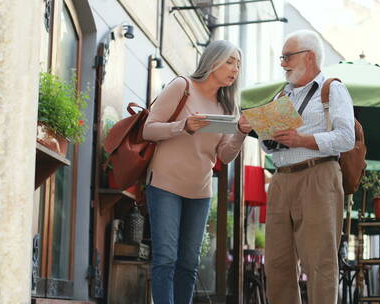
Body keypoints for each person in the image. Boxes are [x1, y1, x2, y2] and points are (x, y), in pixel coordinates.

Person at [142, 40, 252, 304]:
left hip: (200, 191)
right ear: (212, 60)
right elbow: (148, 129)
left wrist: (240, 133)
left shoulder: (228, 107)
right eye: (229, 61)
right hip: (165, 185)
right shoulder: (183, 87)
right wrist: (183, 126)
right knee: (166, 258)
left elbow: (224, 156)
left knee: (189, 263)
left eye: (238, 64)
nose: (235, 69)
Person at [262, 30, 355, 304]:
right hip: (280, 180)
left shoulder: (332, 88)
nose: (282, 63)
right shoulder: (282, 95)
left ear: (310, 56)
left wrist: (303, 140)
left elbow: (347, 138)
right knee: (277, 264)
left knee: (320, 262)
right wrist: (265, 134)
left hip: (318, 175)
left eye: (287, 56)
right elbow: (269, 147)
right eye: (282, 57)